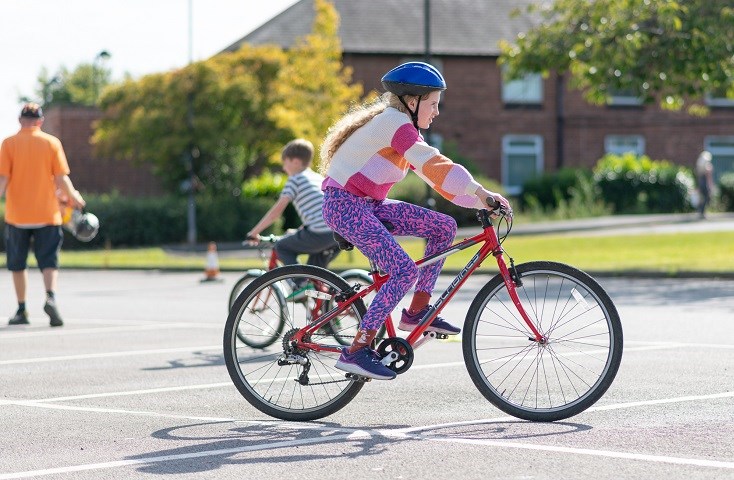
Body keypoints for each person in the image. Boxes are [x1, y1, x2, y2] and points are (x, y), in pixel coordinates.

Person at [319, 62, 512, 379]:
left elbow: (433, 177)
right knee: (403, 270)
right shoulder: (394, 124)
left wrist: (478, 200)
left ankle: (417, 310)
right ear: (413, 102)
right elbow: (435, 163)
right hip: (345, 205)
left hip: (369, 205)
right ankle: (356, 349)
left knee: (444, 227)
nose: (436, 111)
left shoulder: (403, 130)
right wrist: (479, 191)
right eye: (433, 104)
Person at [0, 103, 86, 327]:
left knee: (18, 264)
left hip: (17, 216)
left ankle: (21, 309)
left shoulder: (8, 143)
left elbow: (3, 180)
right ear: (40, 121)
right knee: (49, 261)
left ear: (20, 120)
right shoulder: (51, 143)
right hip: (48, 214)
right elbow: (61, 178)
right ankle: (51, 297)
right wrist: (75, 198)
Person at [246, 138, 339, 281]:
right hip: (337, 232)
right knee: (315, 276)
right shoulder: (316, 177)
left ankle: (299, 284)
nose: (284, 168)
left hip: (319, 233)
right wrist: (299, 231)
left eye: (285, 163)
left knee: (281, 246)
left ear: (295, 161)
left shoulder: (295, 180)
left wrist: (254, 232)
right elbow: (317, 211)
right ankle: (323, 296)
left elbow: (275, 212)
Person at [695, 150, 715, 219]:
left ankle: (700, 211)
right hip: (705, 184)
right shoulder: (708, 167)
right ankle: (702, 212)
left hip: (701, 184)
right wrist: (711, 186)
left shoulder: (700, 168)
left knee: (703, 198)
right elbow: (709, 177)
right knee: (707, 198)